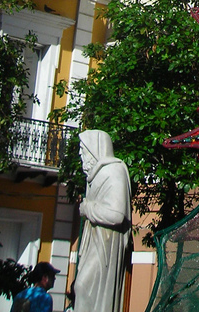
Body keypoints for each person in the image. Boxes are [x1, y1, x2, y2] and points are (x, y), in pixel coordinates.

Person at [72, 130, 131, 312]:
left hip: (106, 245)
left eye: (83, 150)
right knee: (81, 287)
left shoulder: (114, 171)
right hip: (96, 240)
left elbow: (116, 214)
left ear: (94, 149)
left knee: (82, 286)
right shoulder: (94, 176)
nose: (81, 155)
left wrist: (88, 209)